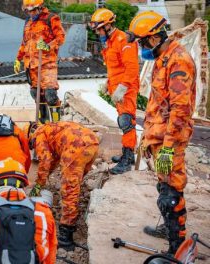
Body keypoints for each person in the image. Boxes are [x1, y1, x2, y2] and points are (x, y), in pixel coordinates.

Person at [127, 11, 196, 254]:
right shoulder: (162, 57)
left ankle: (177, 248)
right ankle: (169, 228)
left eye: (142, 42)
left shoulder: (179, 61)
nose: (141, 48)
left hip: (171, 140)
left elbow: (180, 110)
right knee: (163, 187)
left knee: (171, 193)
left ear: (155, 38)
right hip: (159, 138)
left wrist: (167, 147)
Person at [26, 121, 99, 250]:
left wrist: (38, 185)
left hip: (76, 146)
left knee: (69, 190)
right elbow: (52, 161)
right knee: (74, 184)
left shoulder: (39, 135)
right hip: (92, 142)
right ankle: (72, 213)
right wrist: (43, 179)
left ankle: (66, 235)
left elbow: (45, 160)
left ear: (30, 136)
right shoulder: (50, 128)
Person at [89, 8, 140, 174]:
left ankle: (127, 159)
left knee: (127, 123)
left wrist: (123, 87)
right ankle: (127, 153)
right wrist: (109, 82)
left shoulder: (124, 40)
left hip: (127, 88)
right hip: (117, 87)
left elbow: (131, 67)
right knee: (123, 122)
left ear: (108, 25)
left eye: (99, 29)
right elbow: (115, 67)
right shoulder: (110, 41)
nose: (97, 32)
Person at [15, 0, 65, 123]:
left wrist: (48, 46)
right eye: (28, 11)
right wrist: (18, 59)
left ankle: (56, 123)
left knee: (50, 95)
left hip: (47, 64)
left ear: (40, 7)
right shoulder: (28, 22)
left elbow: (61, 37)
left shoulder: (51, 18)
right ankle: (44, 123)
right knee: (36, 94)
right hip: (31, 65)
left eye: (33, 10)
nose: (31, 13)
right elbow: (24, 43)